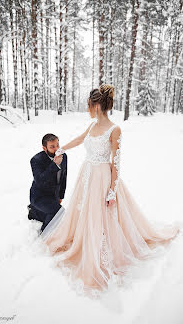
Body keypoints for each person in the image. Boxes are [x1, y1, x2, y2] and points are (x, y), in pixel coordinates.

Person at [39, 83, 180, 297]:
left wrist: (112, 190)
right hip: (87, 175)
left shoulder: (115, 129)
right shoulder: (92, 126)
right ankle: (82, 241)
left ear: (96, 106)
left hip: (103, 178)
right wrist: (63, 147)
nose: (88, 109)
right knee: (84, 212)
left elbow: (116, 163)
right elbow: (80, 139)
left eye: (88, 105)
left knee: (102, 216)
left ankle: (100, 251)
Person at [28, 133, 67, 233]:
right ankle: (44, 234)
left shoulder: (64, 156)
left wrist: (61, 196)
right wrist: (54, 165)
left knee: (57, 213)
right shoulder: (36, 160)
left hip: (53, 196)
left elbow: (63, 177)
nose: (56, 148)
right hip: (39, 197)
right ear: (44, 148)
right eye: (52, 147)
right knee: (58, 212)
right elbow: (40, 180)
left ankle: (35, 213)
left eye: (57, 145)